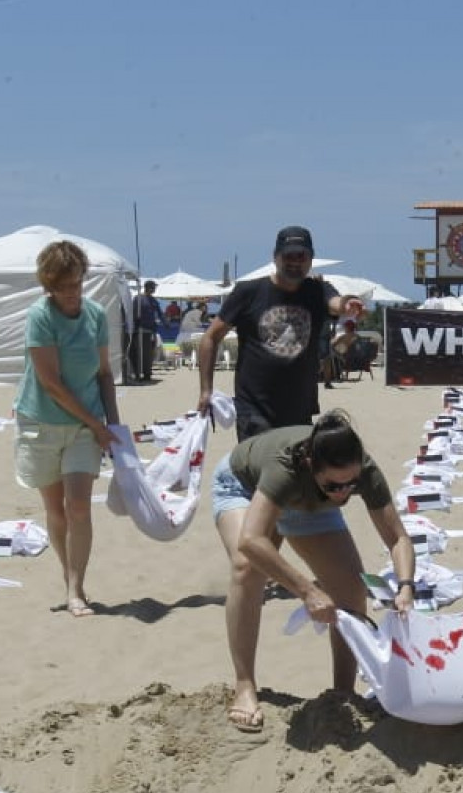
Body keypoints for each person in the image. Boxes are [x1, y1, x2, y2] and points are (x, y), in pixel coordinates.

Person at [211, 411, 415, 732]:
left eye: (352, 484)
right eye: (335, 485)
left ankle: (343, 693)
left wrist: (405, 586)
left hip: (307, 503)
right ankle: (245, 685)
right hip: (243, 485)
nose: (345, 493)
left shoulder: (362, 471)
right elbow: (252, 540)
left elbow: (398, 537)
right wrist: (307, 590)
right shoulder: (286, 468)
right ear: (311, 465)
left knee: (350, 589)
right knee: (248, 568)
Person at [12, 239, 125, 618]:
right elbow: (51, 383)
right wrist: (98, 424)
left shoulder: (94, 315)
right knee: (56, 512)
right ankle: (67, 574)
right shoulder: (39, 316)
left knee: (78, 506)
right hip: (42, 421)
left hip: (83, 425)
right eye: (62, 287)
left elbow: (105, 374)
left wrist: (112, 424)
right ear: (49, 286)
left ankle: (77, 588)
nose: (71, 293)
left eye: (75, 284)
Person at [198, 226, 365, 438]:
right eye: (288, 256)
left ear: (311, 259)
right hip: (254, 409)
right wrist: (206, 390)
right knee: (261, 469)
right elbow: (211, 337)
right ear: (275, 257)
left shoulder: (317, 291)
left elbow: (336, 303)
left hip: (300, 409)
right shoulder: (248, 292)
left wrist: (349, 303)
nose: (295, 262)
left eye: (301, 256)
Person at [133, 280, 163, 383]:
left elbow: (160, 313)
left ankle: (147, 374)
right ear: (149, 287)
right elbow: (133, 313)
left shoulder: (153, 300)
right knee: (139, 353)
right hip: (140, 330)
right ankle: (138, 373)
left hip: (151, 331)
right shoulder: (138, 299)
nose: (154, 289)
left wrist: (165, 323)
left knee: (149, 353)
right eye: (154, 287)